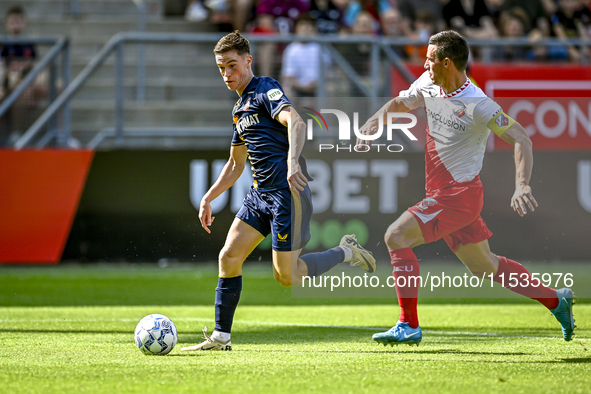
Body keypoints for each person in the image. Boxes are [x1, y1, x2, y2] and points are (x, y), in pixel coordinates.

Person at [357, 30, 576, 346]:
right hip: (445, 195)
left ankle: (408, 324)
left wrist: (522, 185)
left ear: (447, 63)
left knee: (396, 236)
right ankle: (556, 300)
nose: (424, 65)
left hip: (458, 196)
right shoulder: (429, 84)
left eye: (430, 59)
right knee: (485, 266)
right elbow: (399, 103)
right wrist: (374, 124)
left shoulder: (478, 104)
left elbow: (521, 138)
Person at [181, 31, 376, 351]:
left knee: (287, 277)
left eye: (232, 65)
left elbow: (297, 123)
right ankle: (220, 337)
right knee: (228, 257)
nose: (227, 74)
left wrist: (293, 162)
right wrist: (208, 197)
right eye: (221, 68)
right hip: (259, 195)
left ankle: (347, 251)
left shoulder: (265, 89)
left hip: (287, 194)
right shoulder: (239, 110)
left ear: (248, 60)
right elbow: (235, 164)